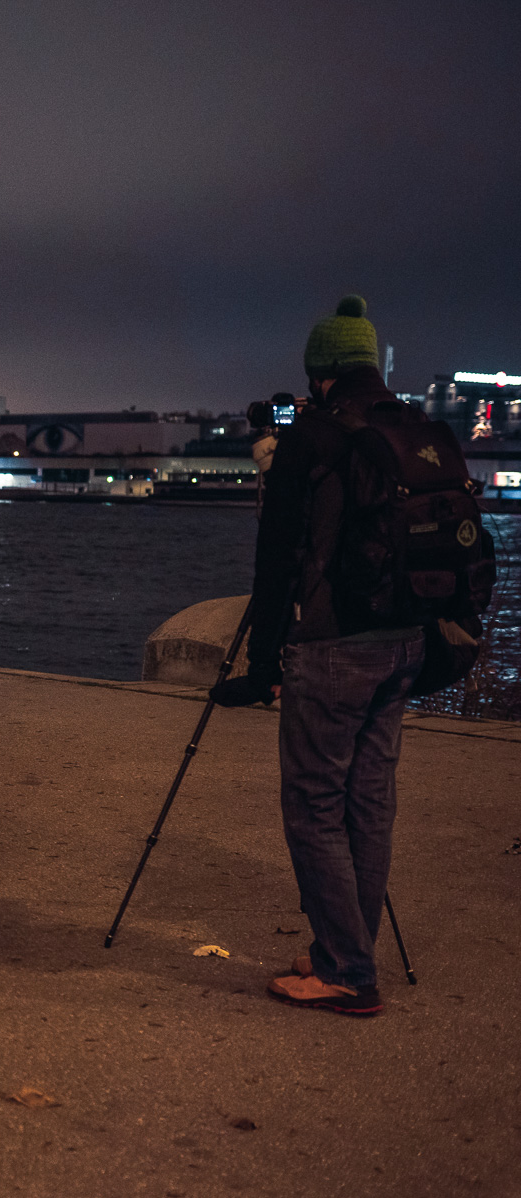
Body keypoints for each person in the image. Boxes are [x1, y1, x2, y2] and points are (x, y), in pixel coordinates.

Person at [213, 296, 423, 1016]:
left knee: (313, 805)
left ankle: (345, 972)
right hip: (404, 642)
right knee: (370, 803)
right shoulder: (411, 426)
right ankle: (347, 947)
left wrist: (261, 665)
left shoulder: (314, 437)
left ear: (321, 371)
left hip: (332, 647)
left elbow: (276, 567)